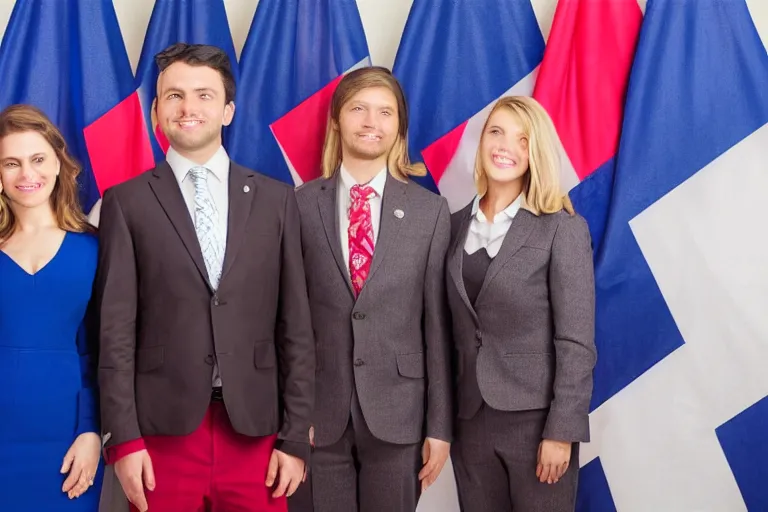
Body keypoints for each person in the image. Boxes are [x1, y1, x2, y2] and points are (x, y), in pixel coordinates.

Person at [96, 43, 314, 512]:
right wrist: (125, 440)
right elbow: (114, 331)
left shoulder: (277, 201)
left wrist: (295, 438)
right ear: (156, 110)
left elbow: (295, 326)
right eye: (174, 96)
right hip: (161, 433)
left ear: (228, 109)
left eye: (203, 95)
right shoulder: (126, 202)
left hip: (256, 431)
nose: (188, 108)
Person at [291, 66, 452, 512]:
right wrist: (291, 415)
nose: (370, 122)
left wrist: (439, 427)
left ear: (399, 126)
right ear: (337, 120)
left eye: (385, 112)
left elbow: (437, 328)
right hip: (317, 416)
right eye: (358, 108)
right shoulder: (298, 205)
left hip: (400, 415)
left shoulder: (430, 213)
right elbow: (285, 319)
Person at [445, 95, 596, 511]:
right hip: (469, 421)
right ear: (481, 142)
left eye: (522, 139)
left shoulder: (560, 228)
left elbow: (576, 340)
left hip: (536, 424)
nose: (505, 146)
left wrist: (561, 430)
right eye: (496, 132)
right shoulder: (453, 225)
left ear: (537, 152)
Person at [0, 104, 102, 510]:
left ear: (59, 164)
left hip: (67, 442)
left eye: (38, 159)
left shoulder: (96, 247)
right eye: (12, 163)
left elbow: (99, 352)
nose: (27, 174)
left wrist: (92, 430)